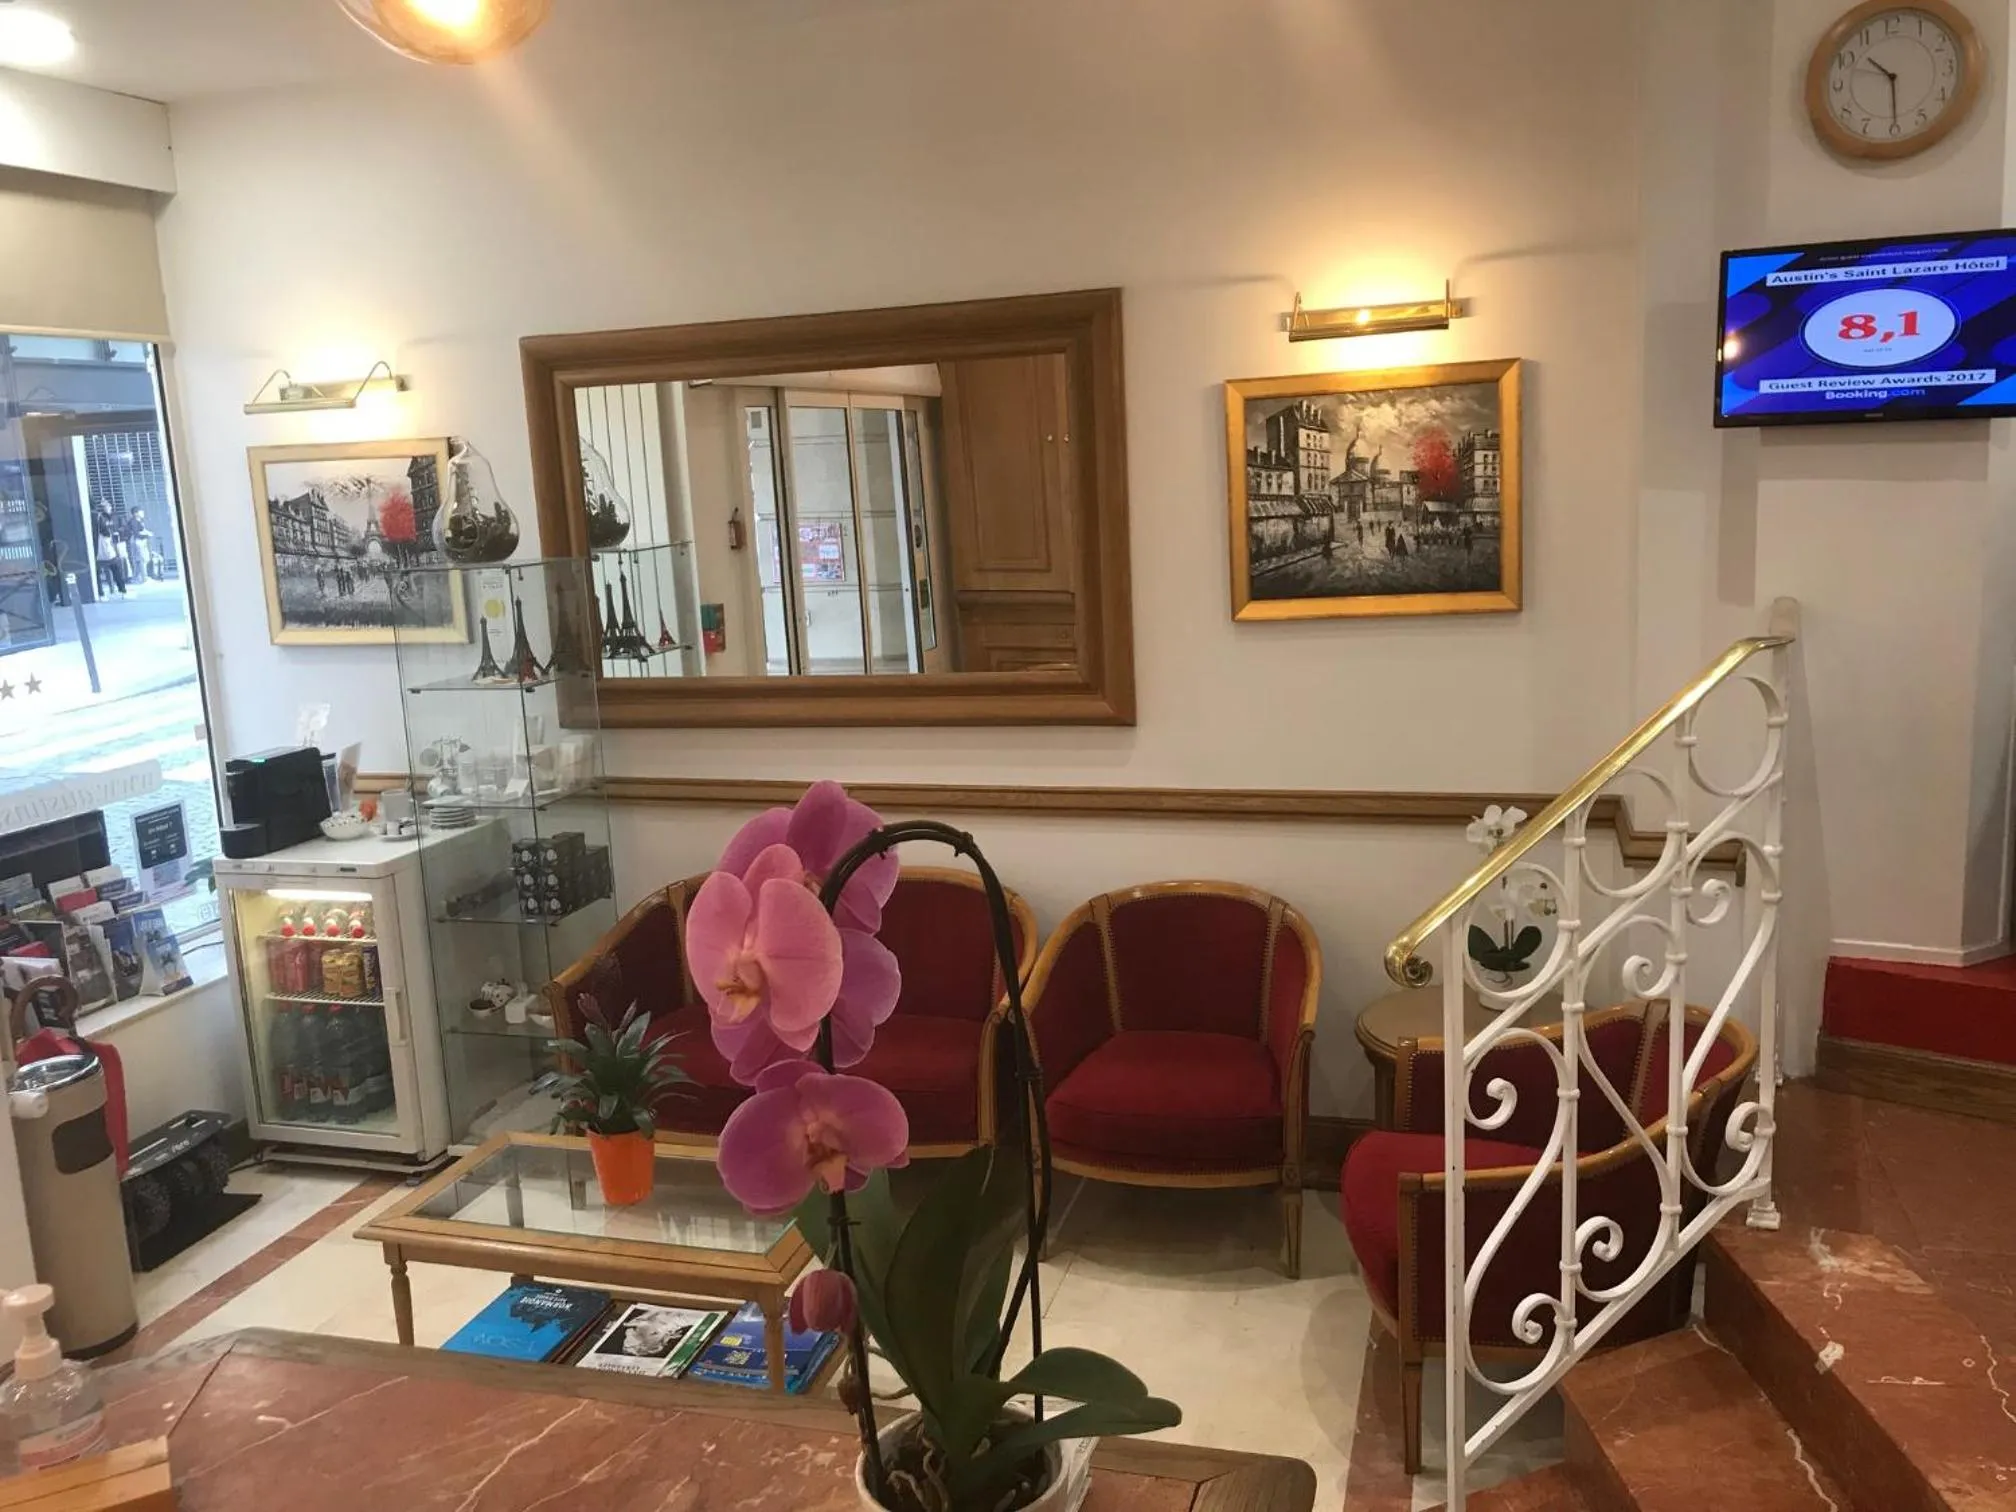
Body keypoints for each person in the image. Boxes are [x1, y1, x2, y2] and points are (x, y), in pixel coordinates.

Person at [95, 524, 125, 597]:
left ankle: (101, 591)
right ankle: (121, 588)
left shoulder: (97, 536)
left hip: (100, 558)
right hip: (110, 556)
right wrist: (117, 554)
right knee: (116, 572)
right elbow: (113, 545)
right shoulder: (108, 535)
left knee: (98, 574)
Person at [124, 511, 149, 583]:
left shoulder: (137, 521)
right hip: (138, 542)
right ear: (136, 513)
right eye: (141, 511)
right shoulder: (134, 522)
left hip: (138, 541)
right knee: (142, 560)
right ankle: (144, 578)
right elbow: (136, 533)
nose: (143, 513)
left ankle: (136, 578)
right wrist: (146, 535)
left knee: (138, 561)